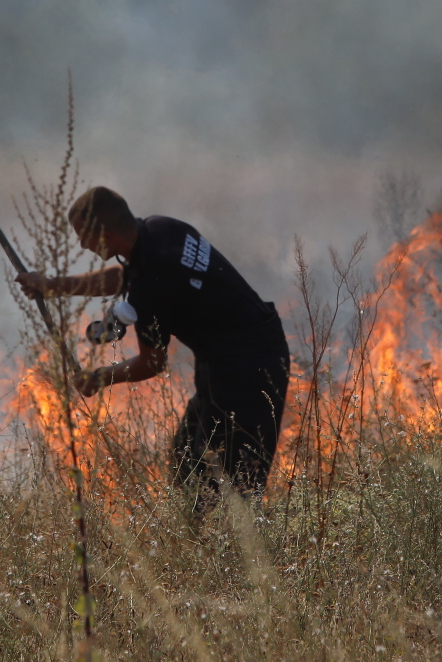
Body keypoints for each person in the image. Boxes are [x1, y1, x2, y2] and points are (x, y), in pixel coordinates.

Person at [16, 185, 290, 508]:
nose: (82, 245)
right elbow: (125, 277)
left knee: (226, 490)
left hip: (249, 370)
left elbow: (153, 364)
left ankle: (244, 554)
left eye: (85, 238)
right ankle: (201, 546)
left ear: (104, 234)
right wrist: (53, 287)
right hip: (230, 358)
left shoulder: (152, 285)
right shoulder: (159, 230)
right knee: (187, 460)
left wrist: (99, 378)